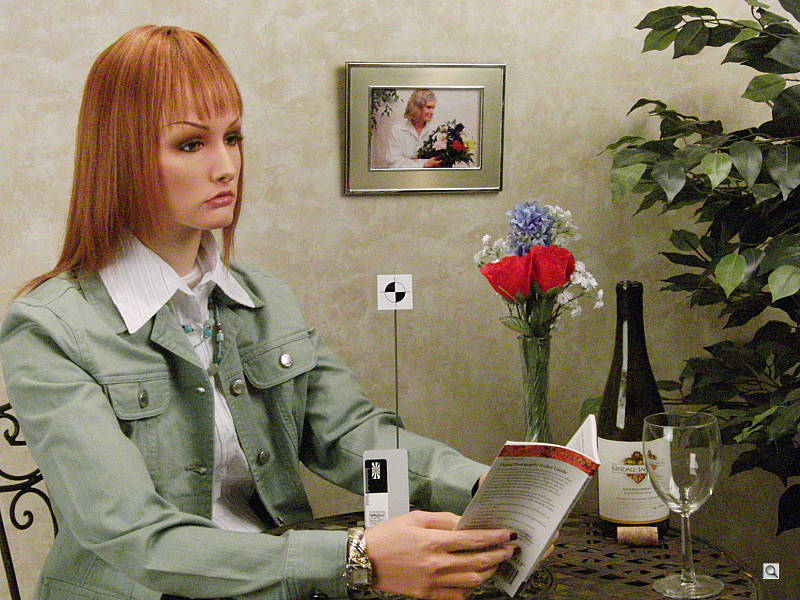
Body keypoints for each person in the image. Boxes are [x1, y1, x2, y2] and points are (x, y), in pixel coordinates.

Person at [0, 26, 540, 600]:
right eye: (190, 144)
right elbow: (134, 535)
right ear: (120, 157)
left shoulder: (262, 297)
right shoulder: (48, 329)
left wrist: (486, 489)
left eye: (232, 138)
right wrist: (357, 559)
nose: (226, 166)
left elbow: (351, 434)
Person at [385, 89, 442, 169]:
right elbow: (393, 164)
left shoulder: (436, 130)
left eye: (433, 108)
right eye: (428, 107)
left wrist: (409, 161)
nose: (432, 112)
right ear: (417, 107)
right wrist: (424, 163)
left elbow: (439, 162)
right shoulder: (397, 130)